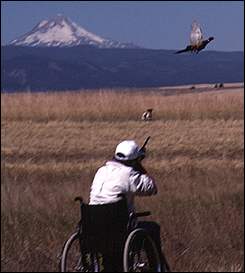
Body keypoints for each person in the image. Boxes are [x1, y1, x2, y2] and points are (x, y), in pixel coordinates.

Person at [89, 139, 167, 271]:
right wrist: (140, 167)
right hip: (119, 229)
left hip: (93, 228)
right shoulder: (129, 175)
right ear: (134, 160)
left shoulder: (101, 171)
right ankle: (158, 268)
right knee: (152, 228)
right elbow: (151, 188)